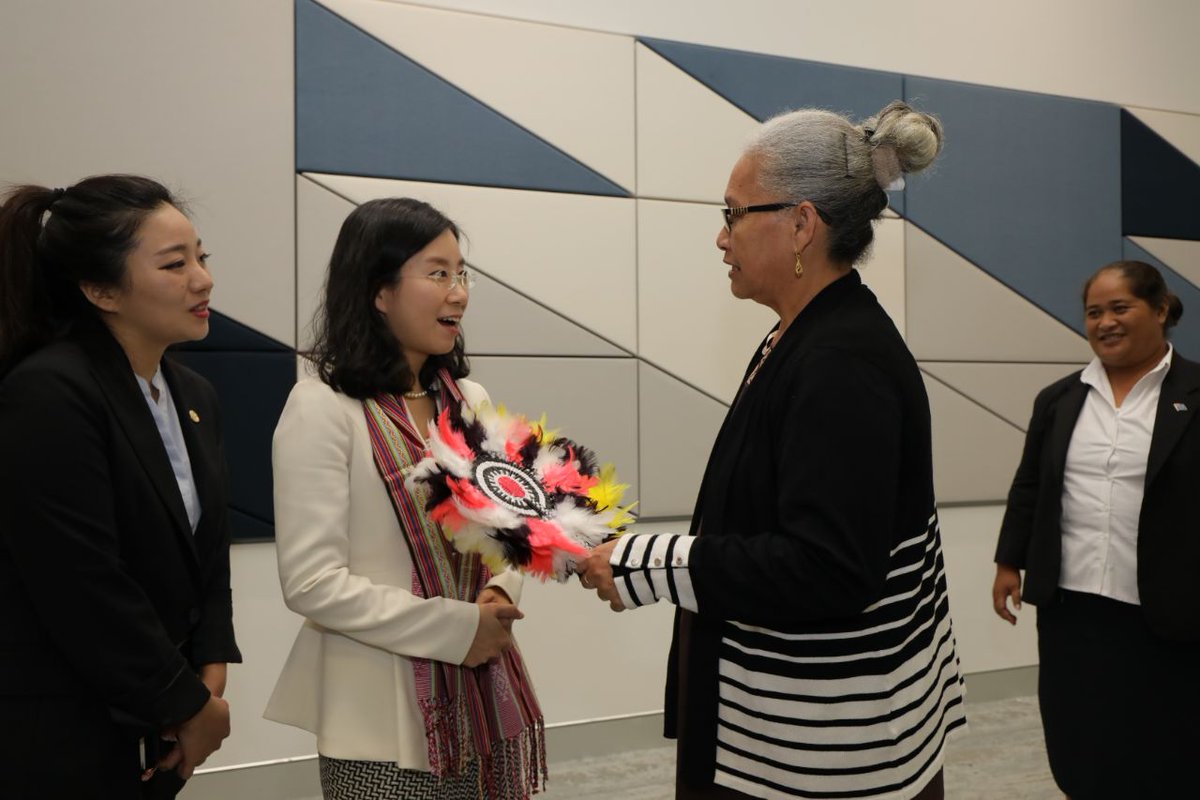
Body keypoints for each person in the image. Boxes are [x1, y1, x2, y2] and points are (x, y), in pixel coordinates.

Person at [578, 102, 967, 800]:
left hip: (822, 755)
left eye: (733, 214)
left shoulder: (842, 362)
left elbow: (827, 567)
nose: (721, 237)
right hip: (791, 731)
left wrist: (648, 561)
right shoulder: (805, 334)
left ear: (800, 224)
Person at [265, 198, 546, 800]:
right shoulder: (322, 408)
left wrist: (500, 593)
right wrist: (457, 628)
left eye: (461, 274)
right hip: (375, 718)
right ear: (379, 291)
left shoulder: (468, 398)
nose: (458, 294)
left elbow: (507, 526)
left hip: (479, 702)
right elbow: (311, 583)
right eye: (438, 273)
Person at [0, 175, 241, 799]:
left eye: (202, 258)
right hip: (62, 731)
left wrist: (210, 667)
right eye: (175, 264)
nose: (203, 280)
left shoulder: (194, 395)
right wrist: (186, 703)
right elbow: (80, 581)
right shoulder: (49, 391)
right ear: (100, 290)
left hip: (157, 725)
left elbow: (208, 553)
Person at [992, 260, 1200, 798]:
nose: (1105, 322)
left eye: (1119, 308)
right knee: (1080, 733)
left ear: (1160, 310)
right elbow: (1031, 484)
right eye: (1093, 312)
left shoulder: (1195, 392)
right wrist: (1009, 561)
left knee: (1166, 740)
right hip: (1072, 605)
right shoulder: (1060, 399)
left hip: (1166, 605)